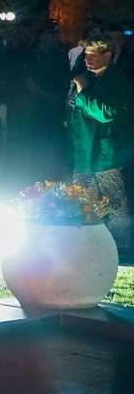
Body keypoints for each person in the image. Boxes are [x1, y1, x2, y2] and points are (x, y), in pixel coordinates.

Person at [70, 38, 132, 249]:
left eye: (93, 54)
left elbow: (106, 113)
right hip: (86, 152)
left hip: (106, 155)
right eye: (86, 54)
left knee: (113, 203)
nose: (87, 59)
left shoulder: (116, 80)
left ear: (107, 55)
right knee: (83, 202)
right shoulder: (89, 78)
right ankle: (86, 245)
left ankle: (120, 248)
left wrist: (83, 92)